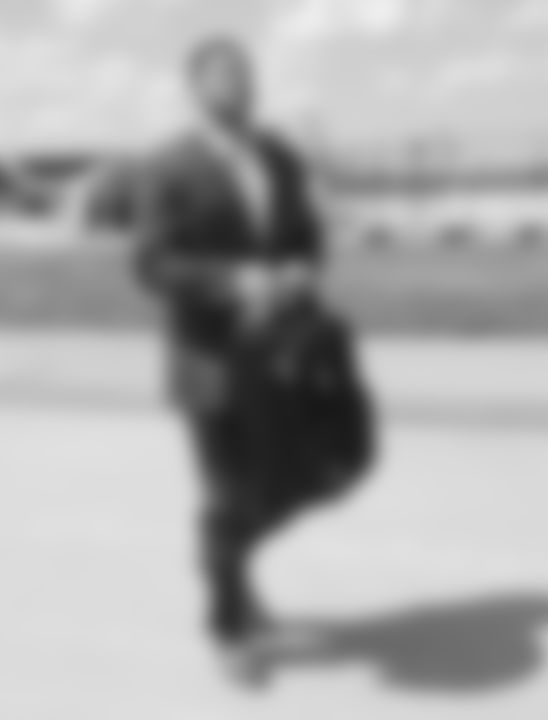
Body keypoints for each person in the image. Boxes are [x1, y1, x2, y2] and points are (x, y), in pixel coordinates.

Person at [130, 36, 377, 687]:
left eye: (245, 73)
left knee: (283, 485)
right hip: (206, 362)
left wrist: (299, 270)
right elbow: (151, 264)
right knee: (226, 495)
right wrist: (236, 282)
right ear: (196, 88)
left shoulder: (280, 156)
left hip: (277, 358)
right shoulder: (167, 166)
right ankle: (228, 627)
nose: (238, 83)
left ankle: (229, 570)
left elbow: (308, 238)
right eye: (223, 74)